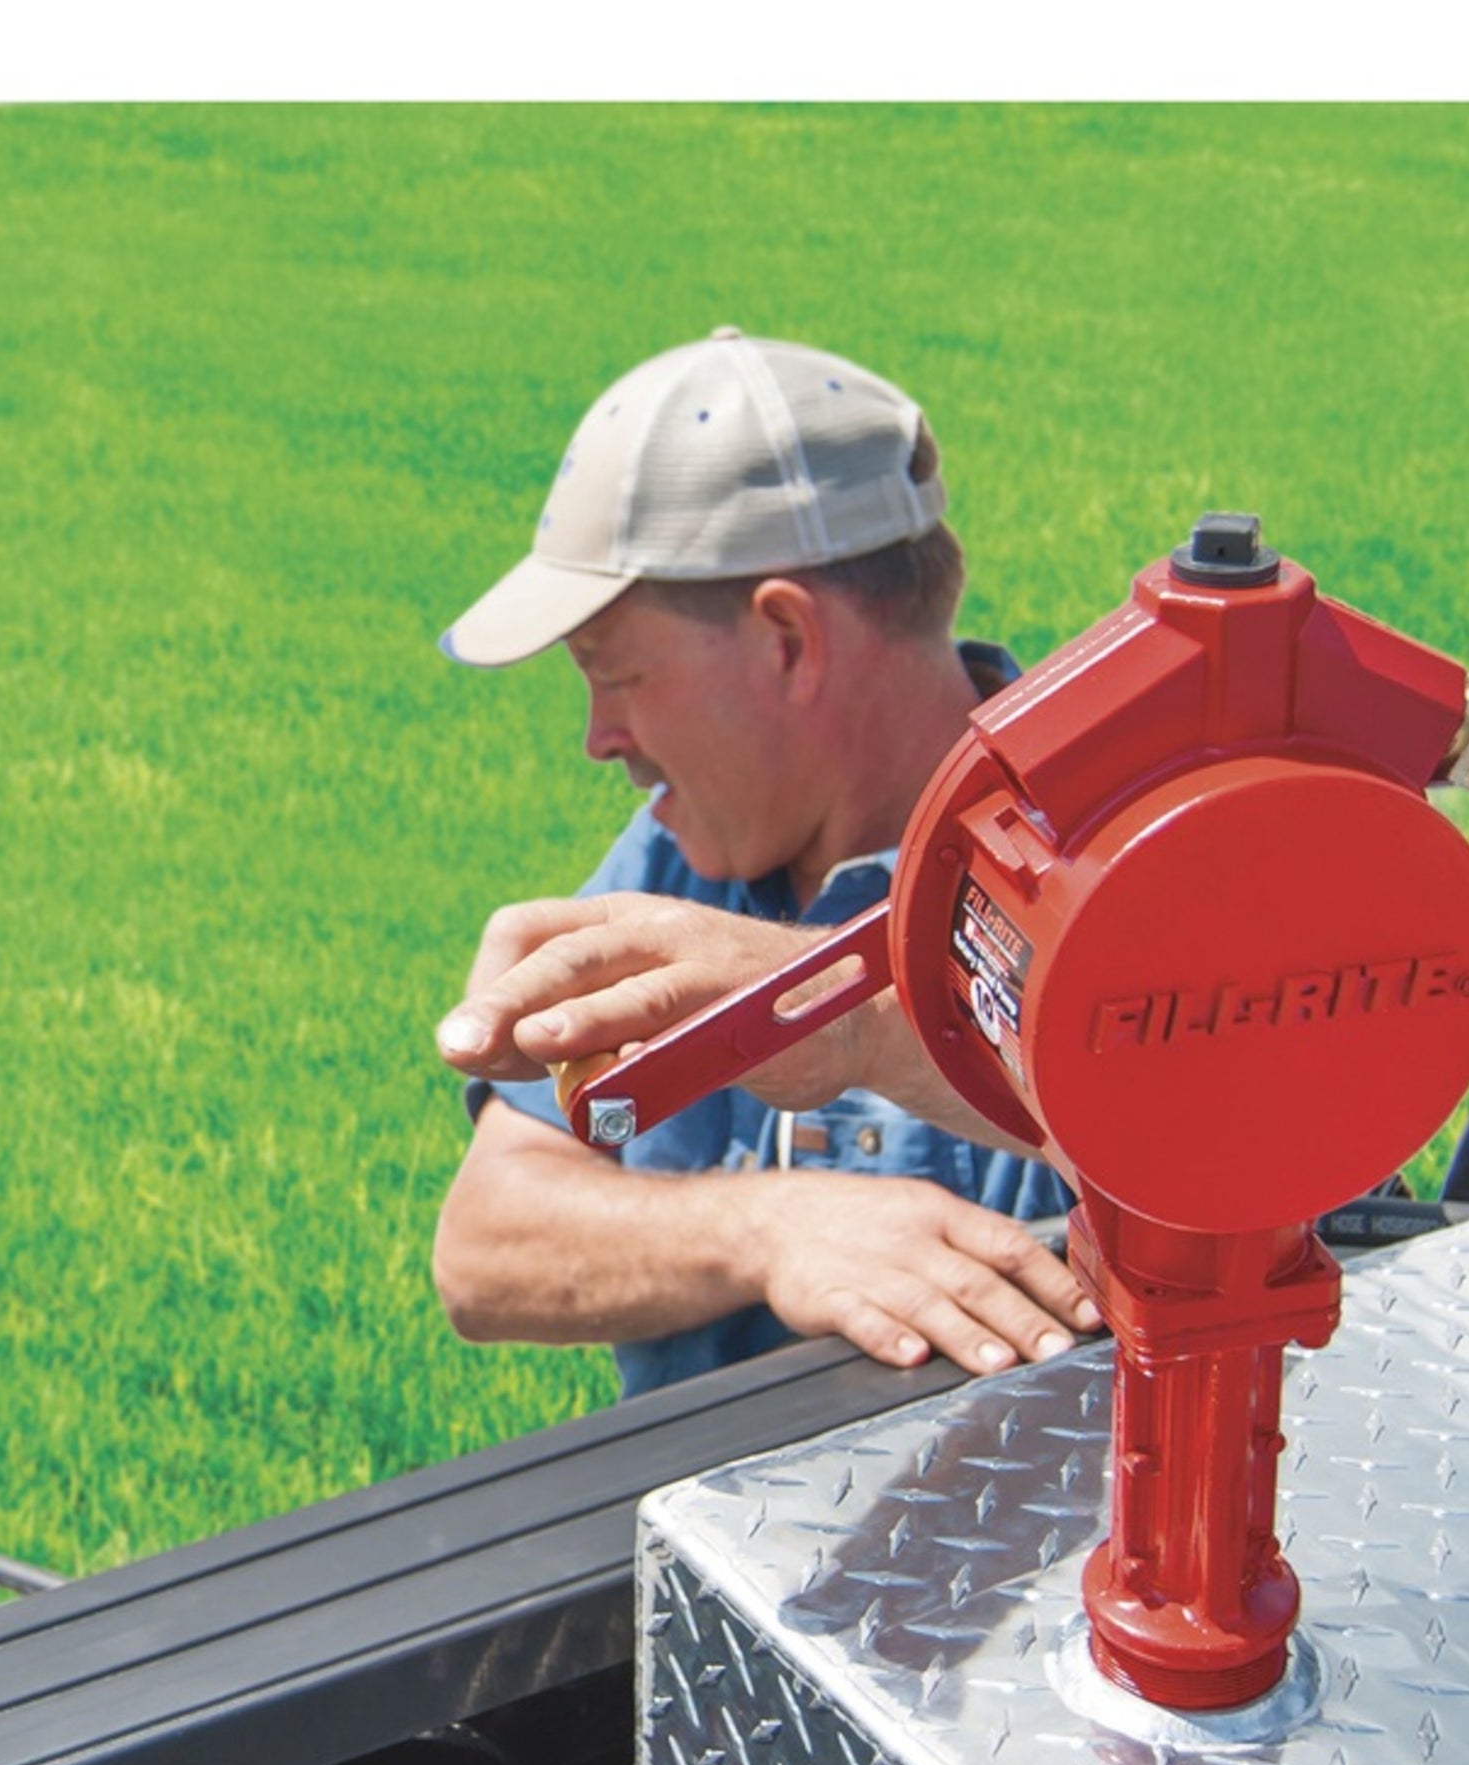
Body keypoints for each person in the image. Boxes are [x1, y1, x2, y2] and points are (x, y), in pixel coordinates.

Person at [433, 328, 1093, 1400]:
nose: (597, 737)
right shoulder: (689, 851)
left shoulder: (1114, 863)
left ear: (785, 638)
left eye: (617, 673)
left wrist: (858, 1031)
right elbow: (484, 1244)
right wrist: (768, 1228)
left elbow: (1251, 1188)